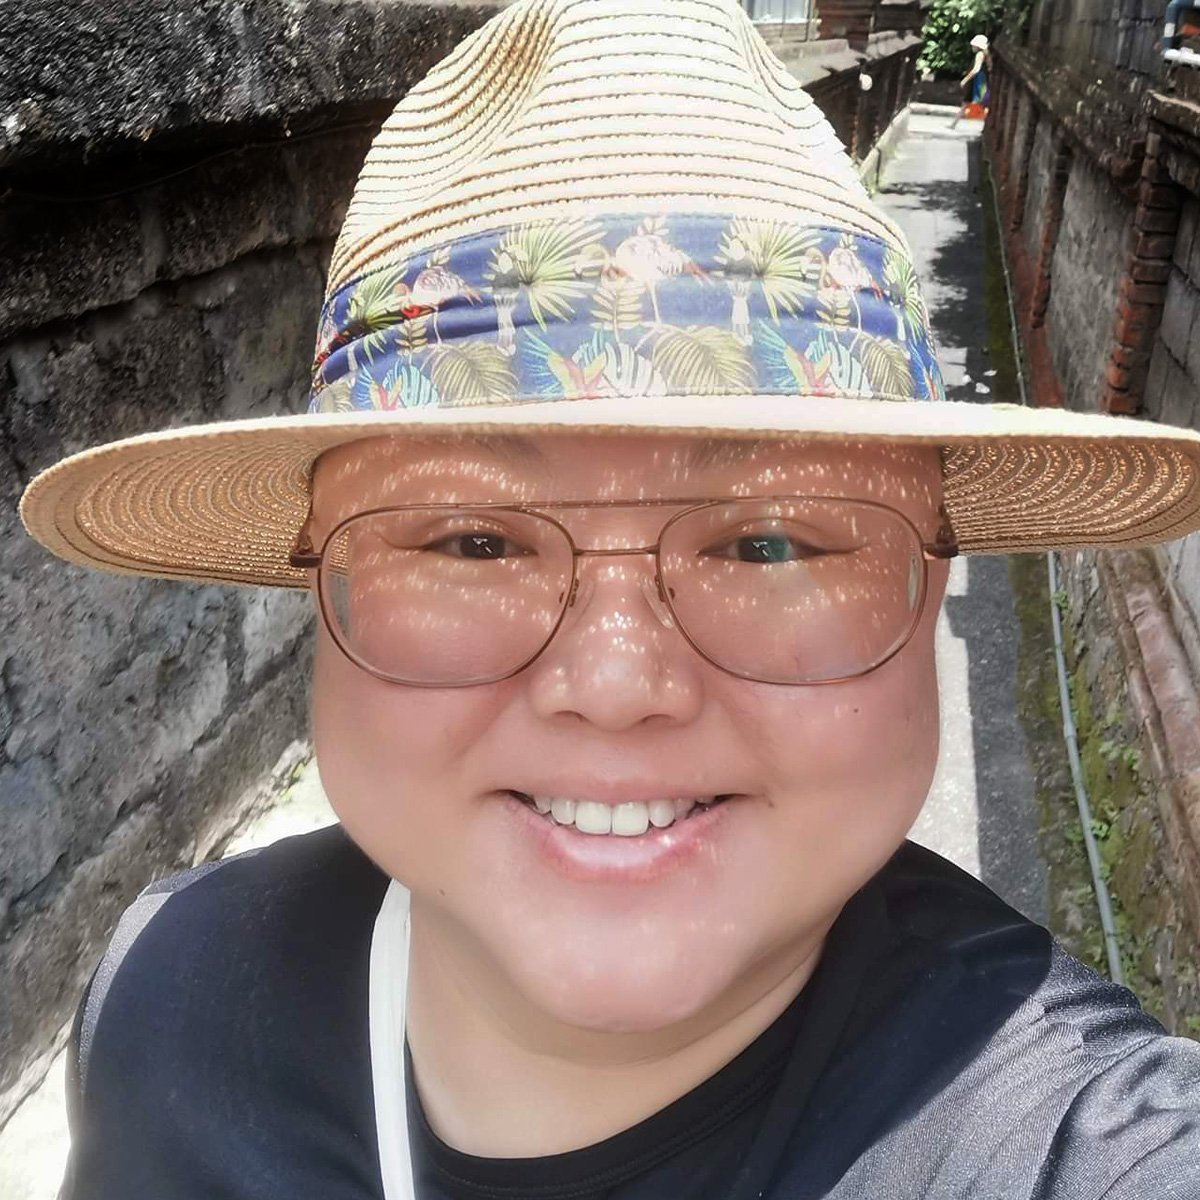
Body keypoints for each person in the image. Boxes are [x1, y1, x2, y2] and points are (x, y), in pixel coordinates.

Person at [18, 0, 1200, 1196]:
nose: (619, 687)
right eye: (473, 540)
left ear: (931, 577)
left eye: (773, 544)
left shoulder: (1076, 1151)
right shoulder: (166, 999)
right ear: (315, 578)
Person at [961, 33, 991, 119]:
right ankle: (954, 123)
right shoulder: (986, 55)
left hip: (978, 81)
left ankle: (955, 123)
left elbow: (976, 69)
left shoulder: (979, 55)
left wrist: (965, 79)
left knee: (974, 101)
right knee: (983, 102)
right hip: (983, 80)